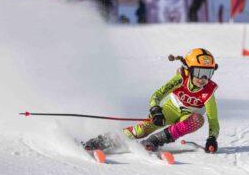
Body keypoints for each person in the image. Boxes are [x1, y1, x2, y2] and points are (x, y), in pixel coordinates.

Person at [83, 48, 220, 153]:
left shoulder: (208, 91)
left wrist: (212, 138)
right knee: (141, 130)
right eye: (199, 72)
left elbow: (213, 119)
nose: (203, 78)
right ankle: (102, 140)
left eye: (207, 73)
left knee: (198, 119)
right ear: (189, 70)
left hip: (186, 117)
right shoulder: (181, 79)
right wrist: (156, 110)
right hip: (169, 110)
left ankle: (156, 140)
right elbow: (157, 95)